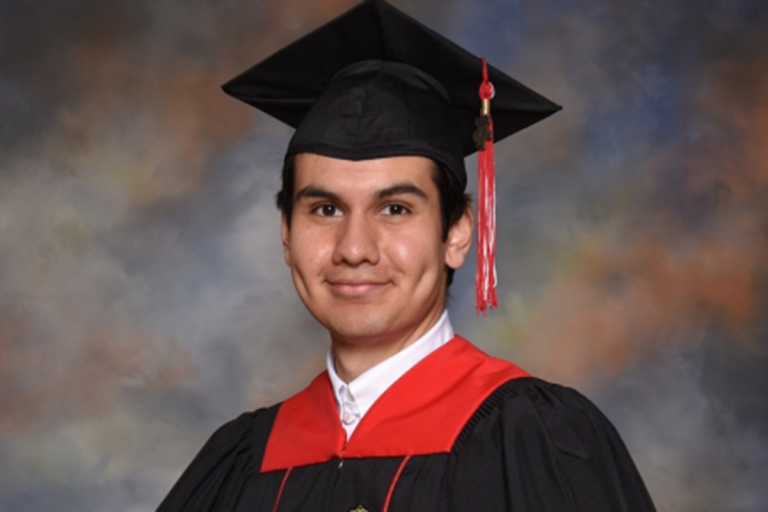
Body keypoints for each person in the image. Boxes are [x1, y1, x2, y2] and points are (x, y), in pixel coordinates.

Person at [158, 1, 656, 510]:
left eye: (394, 209)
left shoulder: (534, 440)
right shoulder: (241, 461)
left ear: (457, 232)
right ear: (285, 233)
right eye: (326, 209)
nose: (354, 249)